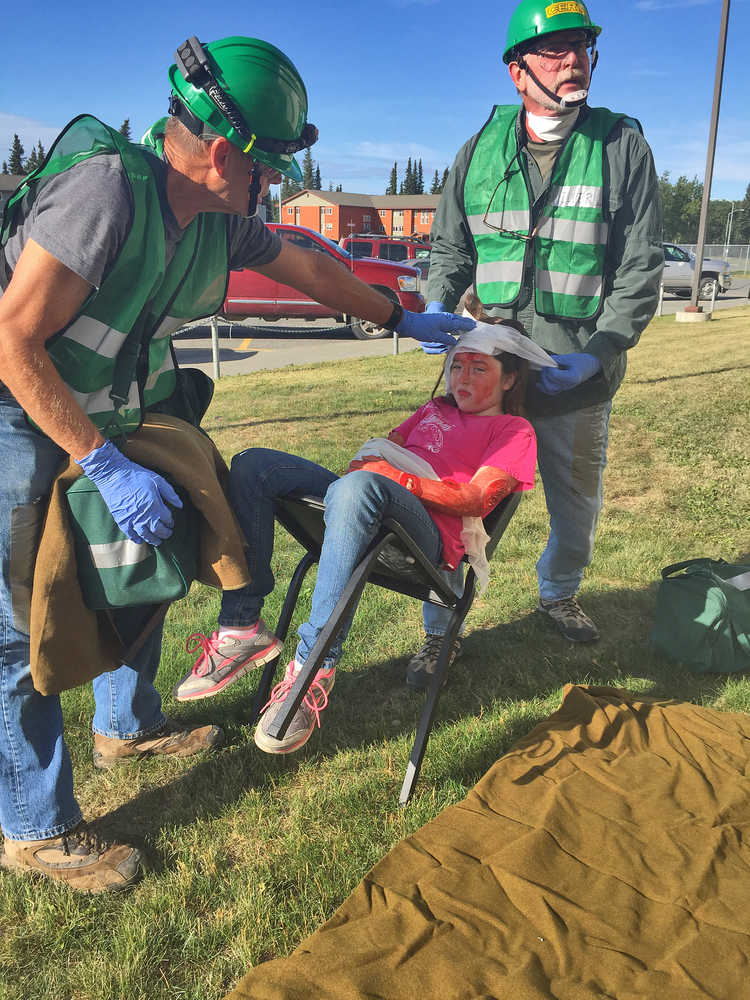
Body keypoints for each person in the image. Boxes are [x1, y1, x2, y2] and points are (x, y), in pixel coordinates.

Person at [0, 35, 473, 894]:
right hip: (18, 402)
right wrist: (103, 463)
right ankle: (33, 829)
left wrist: (394, 315)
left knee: (155, 556)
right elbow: (13, 339)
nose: (282, 184)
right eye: (274, 166)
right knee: (15, 617)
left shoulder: (217, 216)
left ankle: (126, 727)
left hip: (110, 406)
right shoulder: (107, 192)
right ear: (222, 153)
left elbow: (305, 266)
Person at [408, 0, 663, 681]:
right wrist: (437, 300)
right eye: (552, 49)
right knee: (457, 509)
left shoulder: (621, 145)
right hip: (487, 375)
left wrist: (601, 351)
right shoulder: (478, 151)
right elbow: (450, 248)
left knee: (575, 506)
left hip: (575, 374)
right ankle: (440, 627)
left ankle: (559, 591)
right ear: (517, 73)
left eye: (580, 44)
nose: (572, 58)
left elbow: (641, 266)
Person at [174, 325, 542, 752]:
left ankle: (313, 671)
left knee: (361, 486)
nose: (461, 378)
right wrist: (377, 465)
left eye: (479, 369)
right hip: (370, 505)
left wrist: (395, 476)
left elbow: (477, 498)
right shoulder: (433, 410)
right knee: (254, 465)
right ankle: (242, 626)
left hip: (423, 543)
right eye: (456, 366)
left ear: (510, 379)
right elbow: (387, 447)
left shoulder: (514, 430)